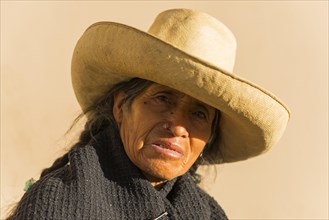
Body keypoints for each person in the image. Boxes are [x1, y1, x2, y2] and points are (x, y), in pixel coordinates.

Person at [7, 8, 290, 219]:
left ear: (209, 137)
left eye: (199, 114)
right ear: (120, 107)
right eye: (162, 98)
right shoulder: (60, 203)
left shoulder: (208, 214)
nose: (178, 126)